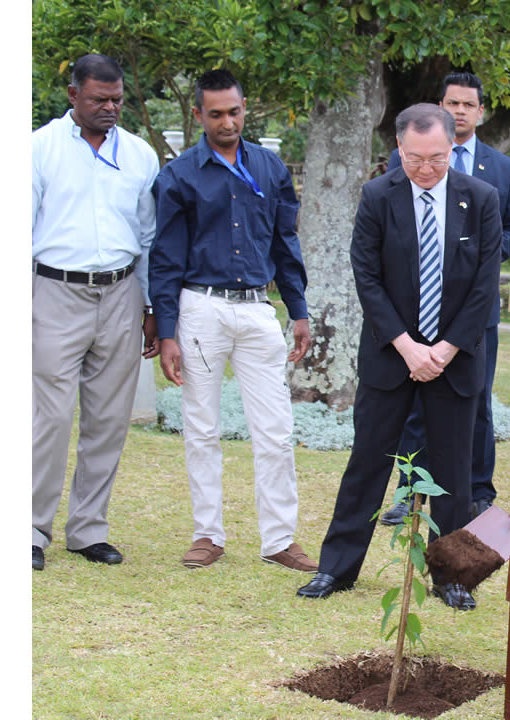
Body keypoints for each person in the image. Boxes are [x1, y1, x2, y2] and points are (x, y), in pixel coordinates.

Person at [297, 104, 501, 609]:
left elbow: (484, 285)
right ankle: (336, 569)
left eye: (436, 159)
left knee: (454, 472)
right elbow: (366, 276)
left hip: (456, 360)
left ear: (452, 148)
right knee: (367, 463)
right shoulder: (376, 196)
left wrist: (445, 348)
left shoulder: (481, 199)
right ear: (398, 148)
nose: (426, 169)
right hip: (392, 357)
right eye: (414, 159)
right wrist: (408, 346)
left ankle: (452, 577)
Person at [150, 69, 316, 573]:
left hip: (259, 310)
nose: (227, 122)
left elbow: (285, 243)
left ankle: (279, 539)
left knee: (276, 430)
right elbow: (165, 257)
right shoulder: (179, 175)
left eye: (235, 111)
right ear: (199, 115)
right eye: (216, 113)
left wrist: (299, 309)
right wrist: (166, 332)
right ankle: (207, 534)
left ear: (246, 108)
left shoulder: (269, 168)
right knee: (201, 426)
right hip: (201, 307)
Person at [381, 71, 510, 526]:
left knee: (476, 400)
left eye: (468, 104)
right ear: (440, 108)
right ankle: (410, 490)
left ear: (481, 111)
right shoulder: (402, 159)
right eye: (452, 103)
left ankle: (478, 493)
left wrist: (474, 259)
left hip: (475, 312)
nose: (460, 110)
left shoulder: (502, 169)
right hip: (418, 310)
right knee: (414, 404)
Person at [32, 53, 160, 571]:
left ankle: (87, 530)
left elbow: (148, 236)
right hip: (55, 293)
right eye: (98, 99)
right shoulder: (37, 149)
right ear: (73, 96)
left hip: (122, 294)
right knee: (51, 417)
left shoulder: (140, 154)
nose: (109, 108)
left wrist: (152, 306)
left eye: (117, 100)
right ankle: (30, 530)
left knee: (108, 420)